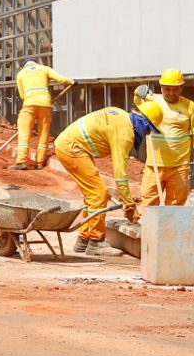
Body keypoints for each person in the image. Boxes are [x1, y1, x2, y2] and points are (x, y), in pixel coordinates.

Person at [54, 103, 154, 253]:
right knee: (98, 194)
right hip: (72, 148)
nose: (147, 134)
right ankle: (96, 241)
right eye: (148, 131)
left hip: (69, 144)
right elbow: (120, 175)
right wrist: (129, 204)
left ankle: (84, 238)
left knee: (93, 196)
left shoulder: (121, 116)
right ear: (143, 124)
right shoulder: (124, 134)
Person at [135, 69, 194, 206]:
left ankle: (170, 228)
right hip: (154, 164)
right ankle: (150, 227)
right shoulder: (152, 100)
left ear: (181, 88)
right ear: (161, 88)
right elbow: (138, 100)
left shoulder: (189, 106)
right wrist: (139, 91)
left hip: (179, 166)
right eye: (167, 89)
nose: (171, 93)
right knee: (149, 202)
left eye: (175, 89)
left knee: (175, 205)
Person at [13, 59, 73, 170]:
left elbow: (22, 95)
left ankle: (21, 161)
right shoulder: (45, 69)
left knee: (24, 133)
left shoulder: (21, 74)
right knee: (43, 132)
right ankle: (39, 162)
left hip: (29, 105)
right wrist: (71, 82)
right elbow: (60, 79)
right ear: (36, 63)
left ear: (24, 66)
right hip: (45, 105)